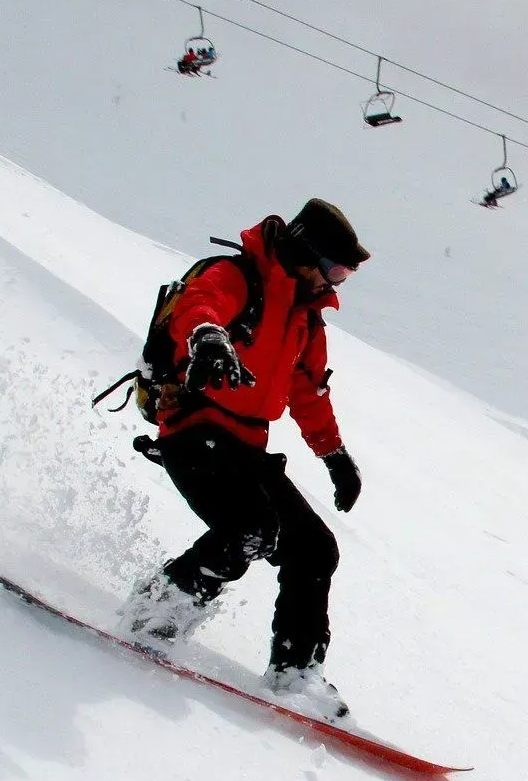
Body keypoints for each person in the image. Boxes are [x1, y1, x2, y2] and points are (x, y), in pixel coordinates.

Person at [119, 199, 370, 718]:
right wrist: (207, 336)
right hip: (194, 429)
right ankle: (154, 616)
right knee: (249, 529)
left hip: (247, 446)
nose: (338, 282)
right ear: (304, 251)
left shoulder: (305, 317)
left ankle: (294, 672)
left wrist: (335, 455)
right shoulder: (238, 278)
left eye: (346, 273)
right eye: (335, 268)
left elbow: (307, 392)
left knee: (315, 549)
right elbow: (198, 305)